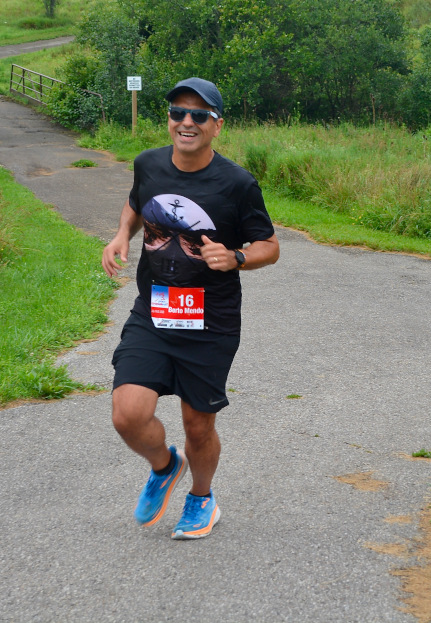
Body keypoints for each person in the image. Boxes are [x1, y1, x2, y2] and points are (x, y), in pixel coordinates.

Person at [101, 77, 280, 540]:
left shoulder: (237, 184)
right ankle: (164, 467)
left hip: (211, 322)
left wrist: (237, 257)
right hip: (154, 311)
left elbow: (270, 245)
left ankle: (201, 498)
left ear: (216, 126)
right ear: (169, 120)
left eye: (199, 115)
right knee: (127, 413)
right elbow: (136, 203)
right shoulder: (149, 164)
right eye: (179, 113)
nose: (187, 122)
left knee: (197, 425)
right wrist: (123, 233)